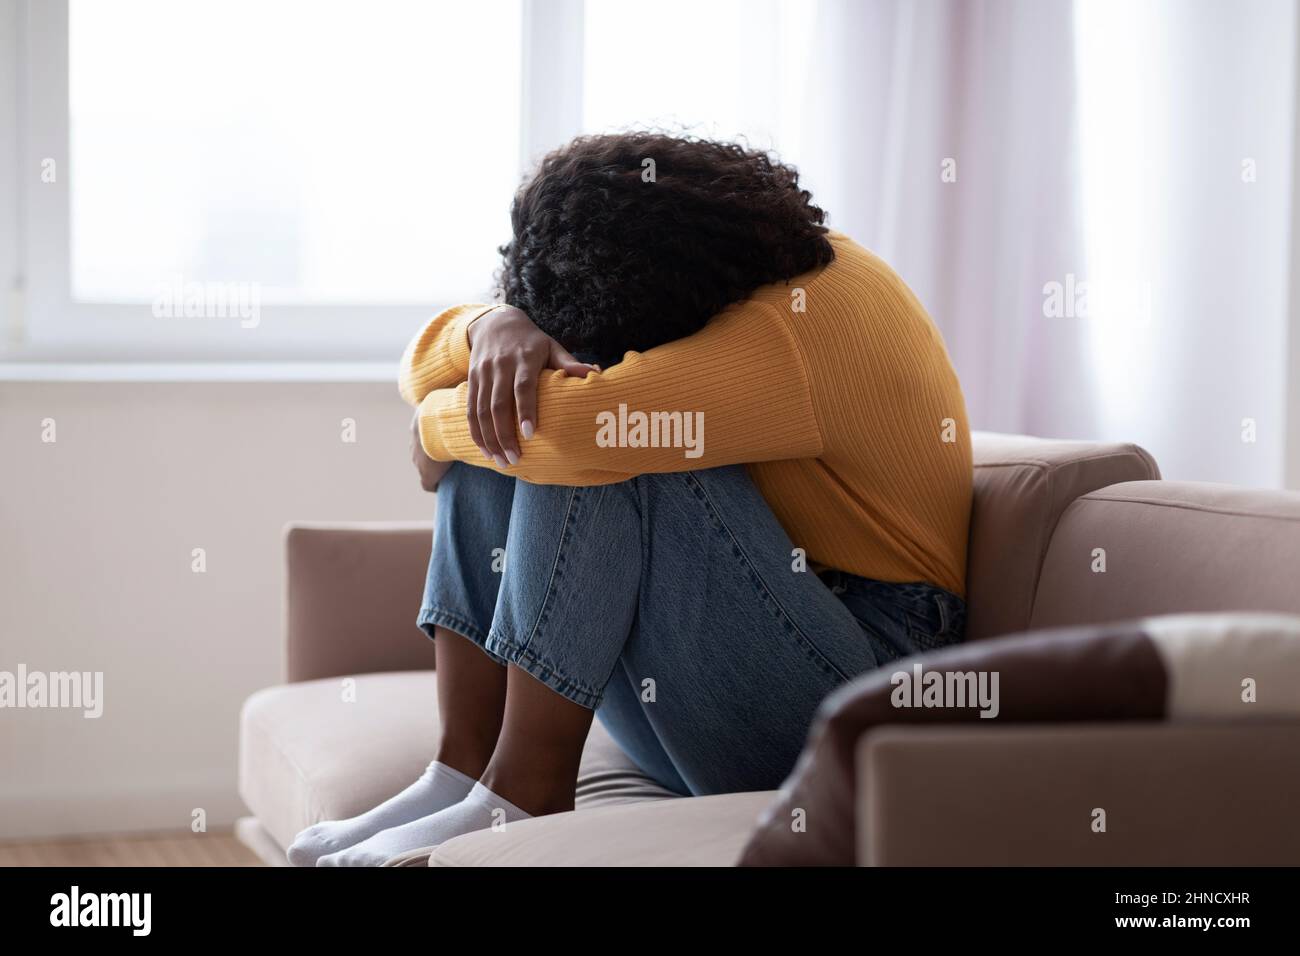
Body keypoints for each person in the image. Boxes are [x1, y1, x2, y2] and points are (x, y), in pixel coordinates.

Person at [288, 132, 972, 866]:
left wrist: (431, 430)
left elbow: (579, 429)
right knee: (505, 405)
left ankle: (525, 790)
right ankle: (459, 770)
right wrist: (492, 326)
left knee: (599, 440)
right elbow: (422, 365)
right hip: (731, 673)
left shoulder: (796, 321)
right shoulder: (726, 269)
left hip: (858, 690)